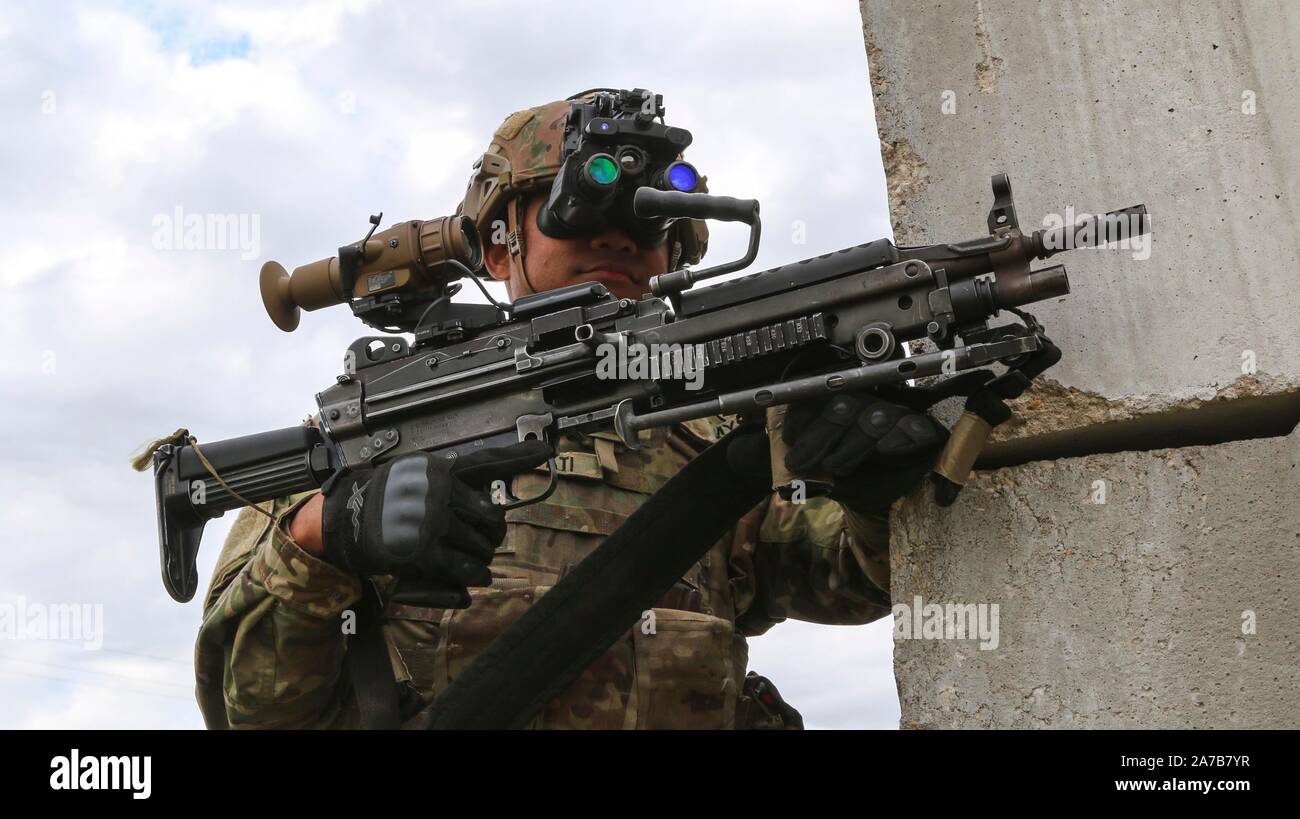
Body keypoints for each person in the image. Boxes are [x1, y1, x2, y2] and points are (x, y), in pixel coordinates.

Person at [194, 90, 955, 729]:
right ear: (498, 249)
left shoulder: (722, 431)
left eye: (647, 220)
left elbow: (852, 577)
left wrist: (875, 489)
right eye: (572, 207)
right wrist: (327, 535)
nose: (617, 236)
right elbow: (244, 709)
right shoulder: (374, 433)